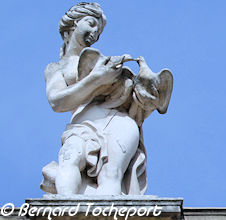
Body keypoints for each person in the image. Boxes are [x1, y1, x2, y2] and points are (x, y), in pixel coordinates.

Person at [41, 2, 171, 195]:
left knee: (111, 176)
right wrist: (97, 79)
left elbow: (144, 100)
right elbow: (57, 102)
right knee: (70, 160)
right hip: (83, 124)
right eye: (91, 23)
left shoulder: (105, 62)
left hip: (121, 123)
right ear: (75, 23)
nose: (95, 32)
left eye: (99, 31)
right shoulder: (56, 68)